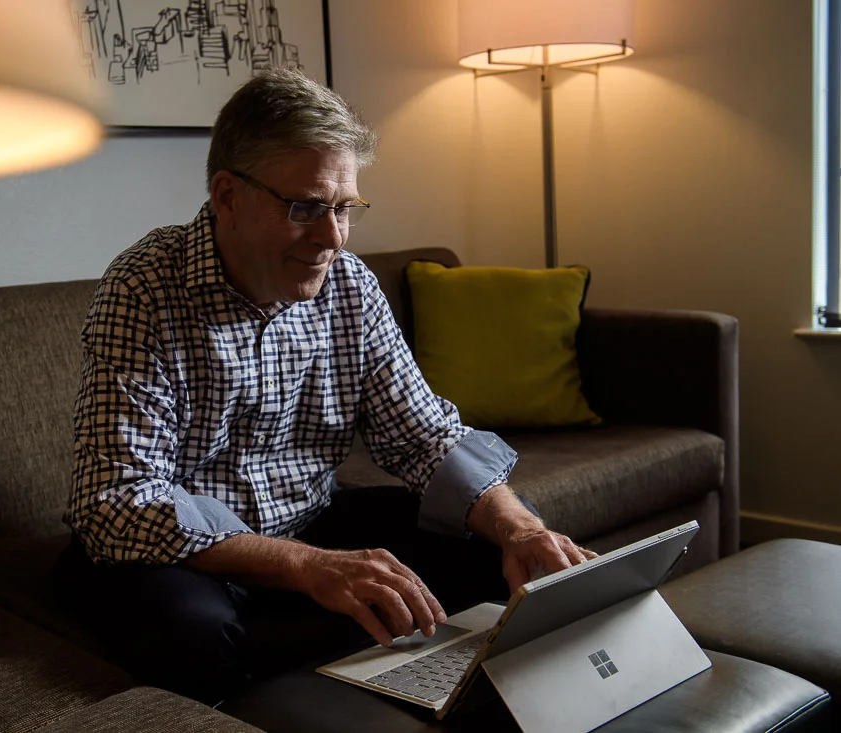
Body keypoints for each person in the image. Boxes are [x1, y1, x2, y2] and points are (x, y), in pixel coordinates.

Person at [57, 68, 595, 704]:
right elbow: (119, 499)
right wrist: (307, 565)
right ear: (227, 196)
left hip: (309, 517)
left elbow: (423, 438)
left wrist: (521, 528)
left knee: (499, 547)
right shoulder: (143, 289)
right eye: (306, 208)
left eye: (344, 209)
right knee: (191, 633)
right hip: (185, 551)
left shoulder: (350, 285)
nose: (332, 238)